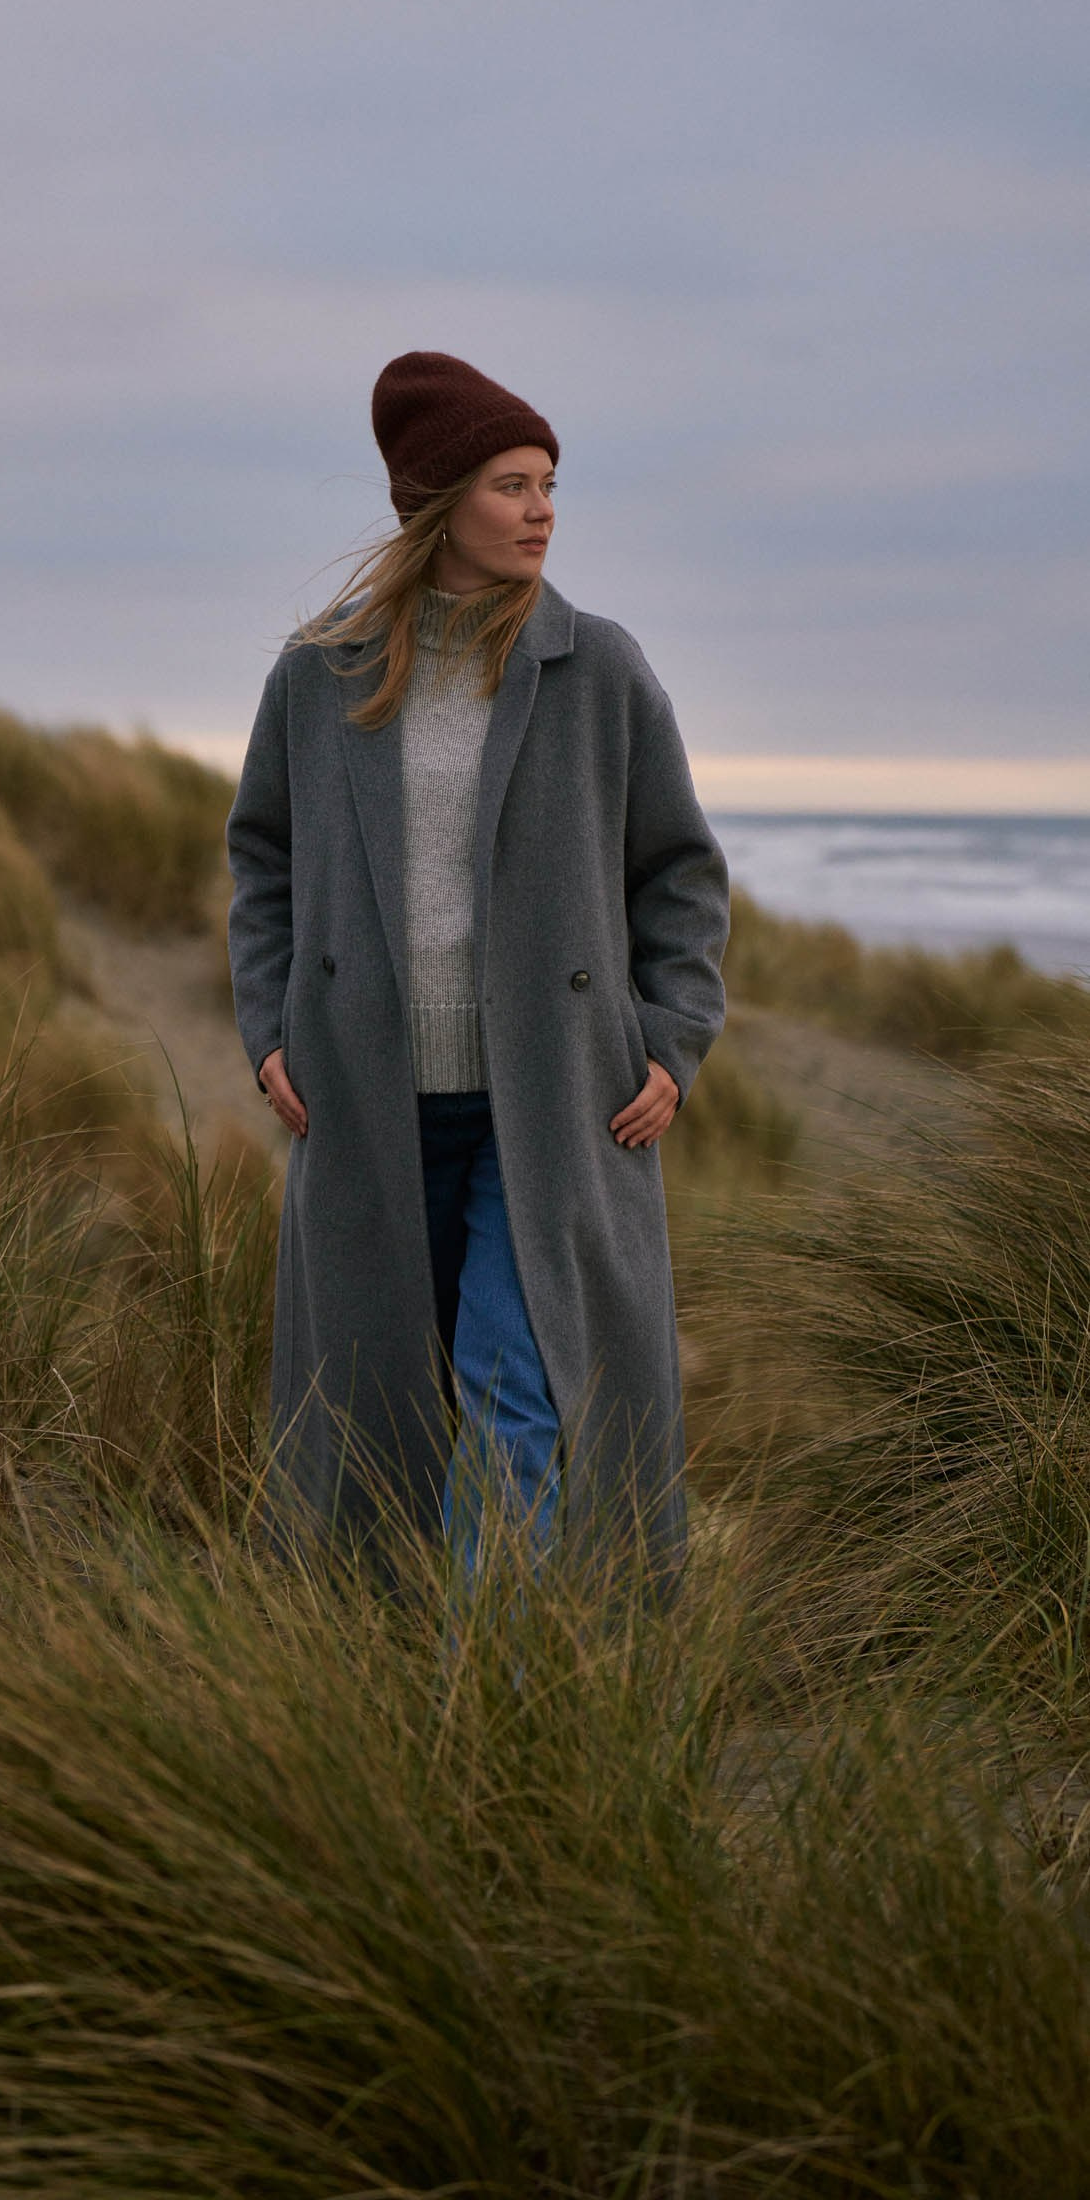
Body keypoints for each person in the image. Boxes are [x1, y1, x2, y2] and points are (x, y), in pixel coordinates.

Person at [224, 350, 730, 1595]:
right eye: (514, 483)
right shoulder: (318, 674)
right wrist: (269, 1026)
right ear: (441, 499)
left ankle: (486, 1705)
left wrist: (672, 1034)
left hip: (552, 1102)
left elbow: (680, 871)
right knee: (380, 1419)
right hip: (368, 1098)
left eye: (551, 482)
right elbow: (263, 863)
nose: (544, 509)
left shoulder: (596, 668)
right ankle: (380, 1686)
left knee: (523, 1398)